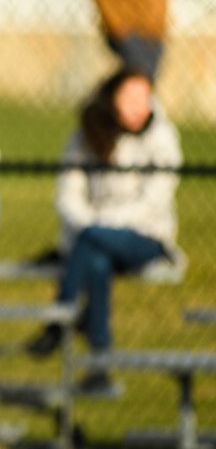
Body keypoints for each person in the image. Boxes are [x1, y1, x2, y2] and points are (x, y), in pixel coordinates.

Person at [26, 67, 184, 396]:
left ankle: (59, 321)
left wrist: (99, 223)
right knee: (95, 261)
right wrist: (91, 224)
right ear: (110, 100)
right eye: (130, 99)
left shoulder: (162, 138)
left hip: (145, 236)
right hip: (92, 236)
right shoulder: (88, 134)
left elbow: (153, 202)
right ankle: (100, 366)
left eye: (145, 98)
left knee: (92, 240)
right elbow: (68, 195)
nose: (140, 106)